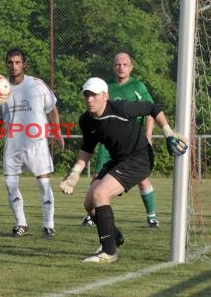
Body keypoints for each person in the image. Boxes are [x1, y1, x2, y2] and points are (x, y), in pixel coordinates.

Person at [59, 77, 188, 263]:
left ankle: (109, 252)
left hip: (140, 158)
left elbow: (152, 108)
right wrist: (74, 175)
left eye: (94, 95)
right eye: (86, 95)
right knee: (89, 203)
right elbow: (86, 149)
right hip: (118, 160)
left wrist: (167, 132)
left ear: (105, 96)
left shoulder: (122, 108)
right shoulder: (86, 120)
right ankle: (114, 237)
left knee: (101, 194)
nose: (89, 99)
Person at [0, 48, 65, 238]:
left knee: (44, 185)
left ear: (24, 64)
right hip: (12, 144)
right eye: (10, 62)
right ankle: (21, 224)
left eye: (17, 62)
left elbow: (53, 110)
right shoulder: (0, 89)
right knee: (10, 183)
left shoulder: (36, 85)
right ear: (6, 64)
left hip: (37, 143)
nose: (14, 66)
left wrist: (56, 133)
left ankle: (48, 225)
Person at [81, 52, 160, 228]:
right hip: (108, 142)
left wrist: (148, 135)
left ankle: (152, 216)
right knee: (98, 176)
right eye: (118, 64)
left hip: (132, 142)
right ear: (113, 67)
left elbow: (150, 111)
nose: (121, 67)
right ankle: (93, 212)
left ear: (131, 67)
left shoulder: (138, 86)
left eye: (125, 64)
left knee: (142, 178)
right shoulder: (106, 88)